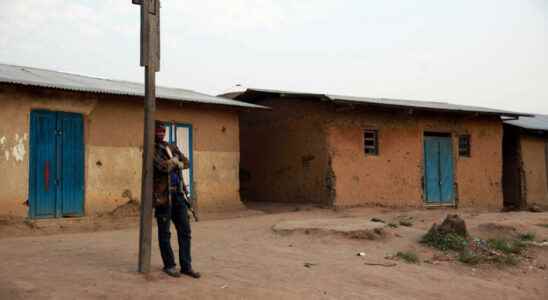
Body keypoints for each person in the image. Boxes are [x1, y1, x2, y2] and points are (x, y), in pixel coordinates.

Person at [153, 124, 201, 279]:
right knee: (165, 233)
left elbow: (186, 162)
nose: (160, 133)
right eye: (158, 131)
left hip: (179, 195)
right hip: (163, 197)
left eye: (163, 131)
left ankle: (186, 266)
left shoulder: (171, 147)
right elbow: (161, 167)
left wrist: (177, 162)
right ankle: (169, 265)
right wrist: (174, 162)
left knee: (185, 231)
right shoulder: (151, 149)